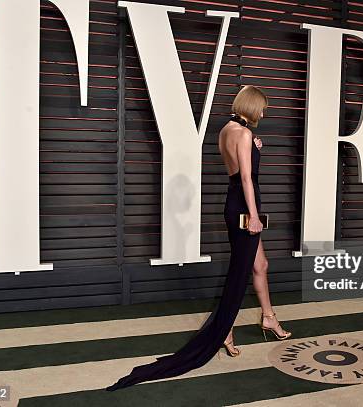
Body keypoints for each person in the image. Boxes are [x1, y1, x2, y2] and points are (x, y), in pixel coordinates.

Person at [105, 85, 290, 391]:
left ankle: (268, 317)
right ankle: (223, 331)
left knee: (261, 264)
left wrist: (254, 149)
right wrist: (255, 216)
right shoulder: (243, 135)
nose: (263, 113)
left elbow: (237, 168)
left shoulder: (226, 131)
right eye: (262, 108)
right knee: (239, 273)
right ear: (252, 105)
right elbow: (246, 177)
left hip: (234, 202)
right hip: (245, 206)